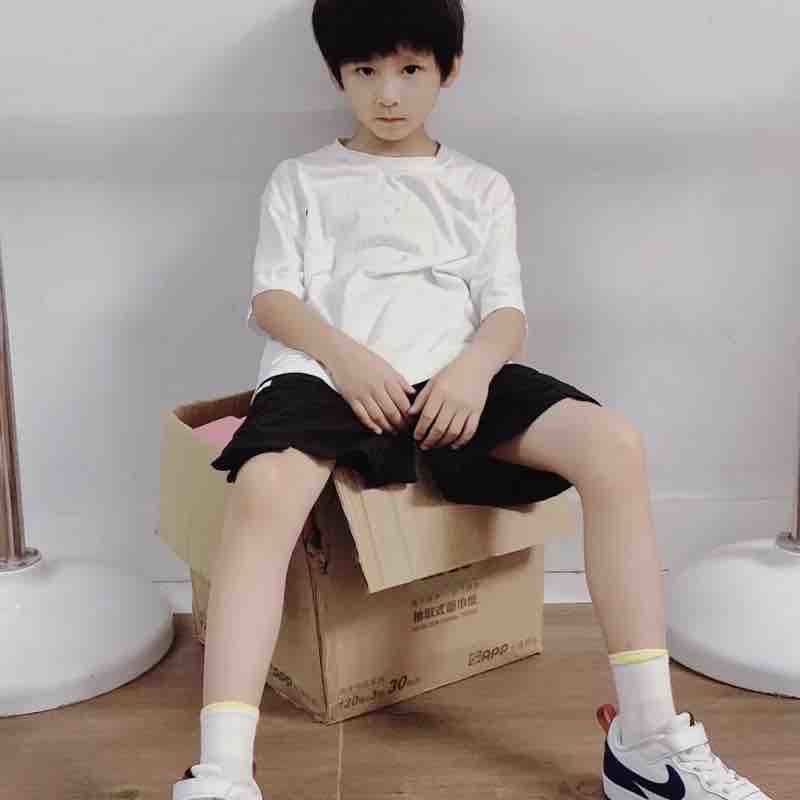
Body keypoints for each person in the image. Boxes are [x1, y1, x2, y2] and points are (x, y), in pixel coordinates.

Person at [174, 2, 774, 800]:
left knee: (615, 445)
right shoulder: (301, 178)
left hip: (452, 375)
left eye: (410, 69)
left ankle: (648, 737)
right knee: (263, 487)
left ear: (448, 70)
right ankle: (221, 771)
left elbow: (505, 311)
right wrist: (347, 360)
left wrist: (474, 370)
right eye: (364, 72)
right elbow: (273, 298)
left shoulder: (480, 185)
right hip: (325, 374)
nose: (388, 93)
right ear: (337, 75)